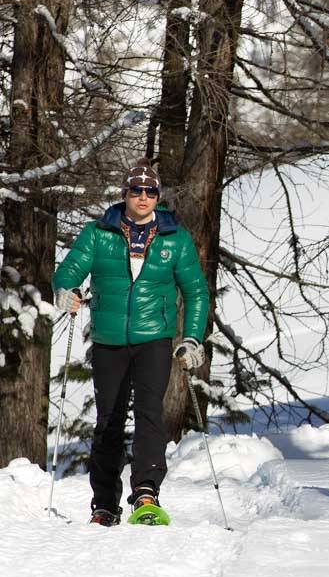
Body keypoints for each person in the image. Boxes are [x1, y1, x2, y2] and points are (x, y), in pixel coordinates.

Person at [52, 162, 210, 526]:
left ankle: (146, 494)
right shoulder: (99, 233)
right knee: (109, 419)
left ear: (158, 197)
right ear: (124, 194)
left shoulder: (175, 238)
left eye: (150, 191)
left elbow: (196, 291)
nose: (143, 197)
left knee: (149, 414)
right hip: (109, 338)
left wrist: (192, 338)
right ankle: (104, 503)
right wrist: (66, 291)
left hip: (154, 337)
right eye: (136, 190)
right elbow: (68, 271)